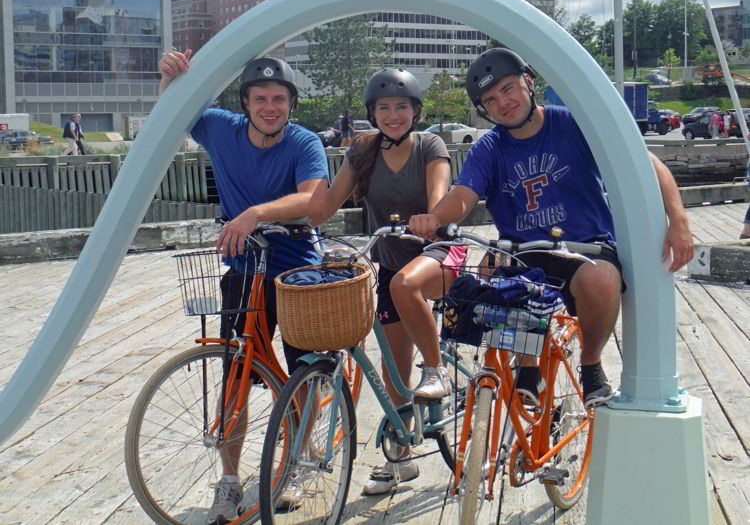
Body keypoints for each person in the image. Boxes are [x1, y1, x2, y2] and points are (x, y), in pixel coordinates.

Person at [409, 47, 695, 410]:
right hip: (523, 251)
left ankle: (591, 365)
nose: (504, 102)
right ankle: (528, 366)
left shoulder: (573, 123)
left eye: (509, 88)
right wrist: (436, 218)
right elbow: (464, 194)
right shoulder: (490, 148)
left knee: (602, 280)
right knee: (488, 272)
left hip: (584, 247)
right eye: (491, 99)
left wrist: (679, 221)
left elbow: (646, 164)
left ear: (529, 82)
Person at [158, 49, 328, 524]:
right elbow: (171, 114)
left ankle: (292, 462)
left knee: (300, 375)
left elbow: (313, 198)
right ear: (246, 103)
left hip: (297, 271)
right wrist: (171, 79)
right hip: (243, 270)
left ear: (291, 103)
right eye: (260, 98)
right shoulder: (219, 128)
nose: (269, 106)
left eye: (279, 98)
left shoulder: (304, 142)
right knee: (235, 379)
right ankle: (229, 481)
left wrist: (255, 212)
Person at [310, 68, 466, 495]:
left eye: (401, 107)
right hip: (392, 261)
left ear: (415, 111)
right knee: (393, 366)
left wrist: (432, 217)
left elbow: (439, 192)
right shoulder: (362, 152)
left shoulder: (429, 144)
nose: (393, 115)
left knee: (404, 289)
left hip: (440, 253)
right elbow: (326, 204)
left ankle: (436, 371)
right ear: (372, 113)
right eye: (384, 108)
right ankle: (400, 457)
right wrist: (280, 220)